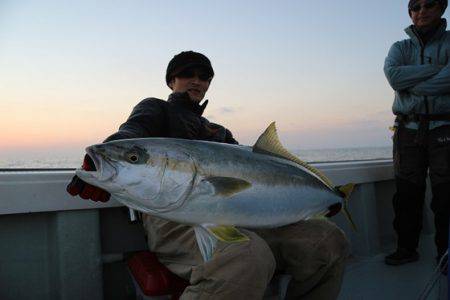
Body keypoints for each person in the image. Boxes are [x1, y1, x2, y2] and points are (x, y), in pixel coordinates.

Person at [67, 50, 350, 299]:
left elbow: (254, 171)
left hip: (241, 219)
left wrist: (319, 200)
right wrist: (104, 158)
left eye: (204, 76)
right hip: (174, 220)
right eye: (186, 73)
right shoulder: (156, 109)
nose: (196, 80)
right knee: (247, 257)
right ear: (170, 81)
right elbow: (132, 131)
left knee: (327, 239)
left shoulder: (219, 133)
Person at [383, 0, 449, 271]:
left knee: (446, 195)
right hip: (407, 130)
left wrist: (414, 84)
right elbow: (395, 78)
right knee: (407, 193)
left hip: (445, 128)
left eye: (429, 4)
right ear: (410, 12)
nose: (422, 11)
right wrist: (438, 70)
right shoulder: (399, 47)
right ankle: (406, 248)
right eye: (416, 6)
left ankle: (445, 253)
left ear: (442, 8)